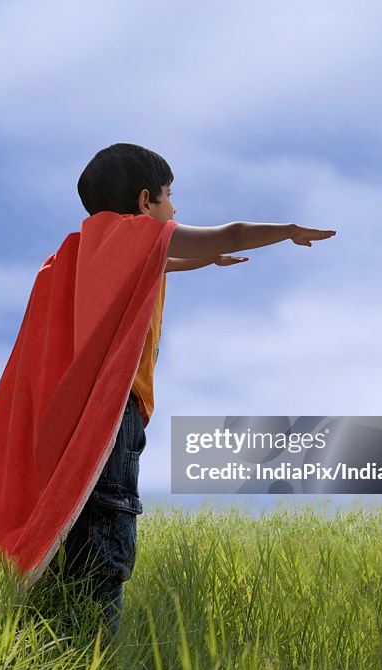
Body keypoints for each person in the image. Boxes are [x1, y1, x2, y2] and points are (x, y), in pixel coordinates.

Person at [40, 143, 336, 641]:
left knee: (69, 540)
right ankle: (95, 661)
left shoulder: (78, 252)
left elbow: (160, 264)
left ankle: (54, 653)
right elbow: (231, 231)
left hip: (65, 419)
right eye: (169, 197)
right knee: (108, 541)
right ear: (144, 202)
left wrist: (203, 261)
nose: (174, 209)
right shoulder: (140, 236)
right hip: (115, 412)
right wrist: (286, 231)